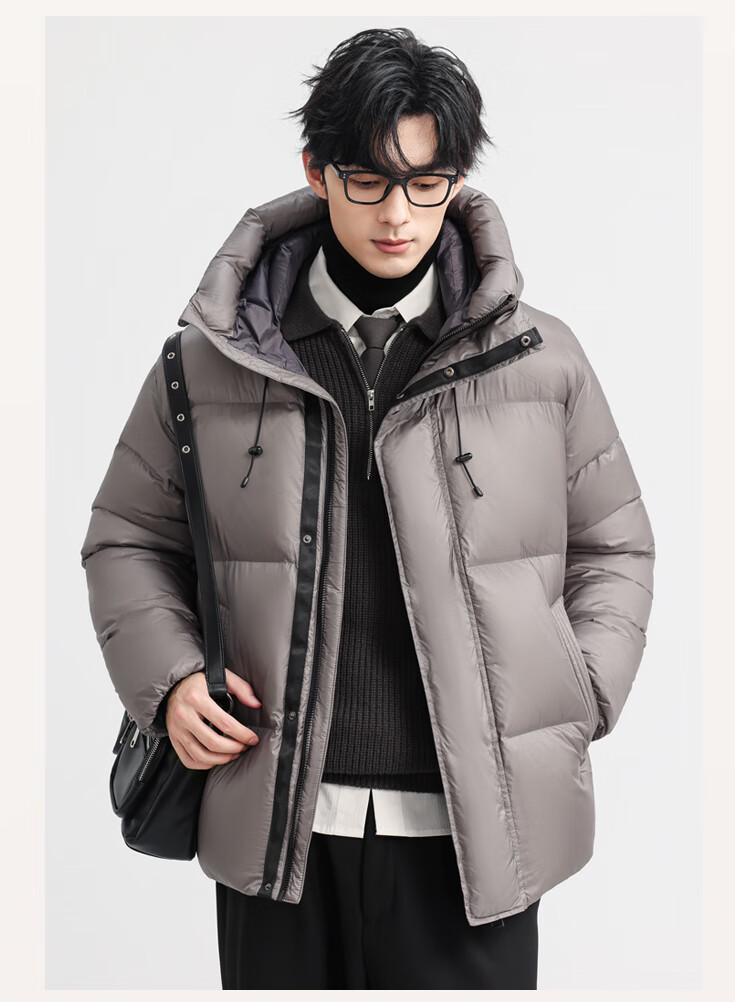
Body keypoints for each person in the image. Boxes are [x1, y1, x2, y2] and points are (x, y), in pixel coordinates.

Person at [80, 27, 655, 990]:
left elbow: (616, 544)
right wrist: (170, 683)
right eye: (369, 181)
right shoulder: (210, 360)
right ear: (316, 169)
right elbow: (127, 536)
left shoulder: (540, 359)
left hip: (480, 839)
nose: (398, 214)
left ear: (457, 181)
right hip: (276, 827)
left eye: (427, 183)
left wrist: (578, 691)